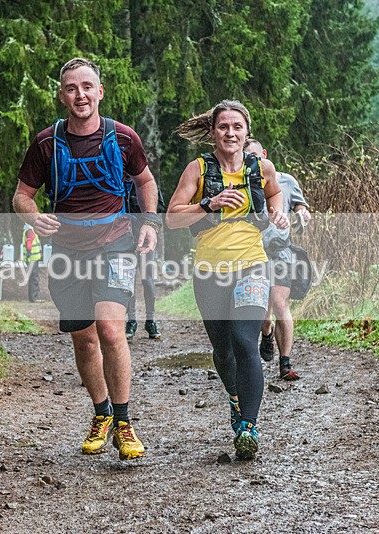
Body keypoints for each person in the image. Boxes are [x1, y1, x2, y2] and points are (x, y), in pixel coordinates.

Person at [13, 57, 161, 461]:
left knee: (111, 330)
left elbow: (145, 181)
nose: (80, 94)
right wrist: (34, 217)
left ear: (100, 91)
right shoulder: (46, 143)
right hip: (66, 250)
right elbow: (22, 195)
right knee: (83, 337)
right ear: (62, 95)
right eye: (71, 88)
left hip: (115, 242)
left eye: (87, 86)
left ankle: (125, 422)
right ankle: (102, 414)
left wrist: (149, 222)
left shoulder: (124, 137)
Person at [166, 100, 288, 460]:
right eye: (224, 127)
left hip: (252, 264)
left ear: (247, 132)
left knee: (243, 341)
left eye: (237, 127)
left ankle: (248, 427)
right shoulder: (198, 169)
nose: (231, 133)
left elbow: (275, 193)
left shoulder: (261, 167)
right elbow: (172, 218)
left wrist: (278, 213)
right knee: (223, 349)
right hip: (209, 270)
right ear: (212, 132)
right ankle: (235, 400)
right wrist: (209, 204)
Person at [245, 139, 312, 380]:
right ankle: (266, 331)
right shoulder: (239, 182)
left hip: (281, 250)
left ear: (264, 154)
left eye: (255, 156)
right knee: (263, 309)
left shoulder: (286, 180)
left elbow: (299, 205)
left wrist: (303, 213)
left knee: (280, 303)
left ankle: (286, 363)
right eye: (247, 158)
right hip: (252, 253)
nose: (253, 162)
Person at [124, 180, 165, 340]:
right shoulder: (117, 181)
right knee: (128, 281)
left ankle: (151, 321)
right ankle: (131, 321)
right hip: (124, 240)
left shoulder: (147, 183)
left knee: (148, 280)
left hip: (145, 240)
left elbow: (159, 208)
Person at [21, 222, 44, 303]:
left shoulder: (28, 230)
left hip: (31, 258)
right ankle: (34, 298)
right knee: (34, 278)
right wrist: (29, 253)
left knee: (32, 278)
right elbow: (29, 242)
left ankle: (33, 297)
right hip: (33, 258)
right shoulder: (30, 230)